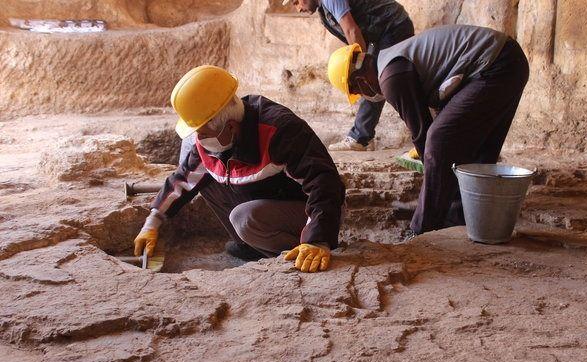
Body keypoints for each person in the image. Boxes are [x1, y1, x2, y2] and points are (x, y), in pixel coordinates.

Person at [134, 65, 345, 273]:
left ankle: (297, 252)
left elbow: (324, 182)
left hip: (315, 210)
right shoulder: (214, 135)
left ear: (231, 127)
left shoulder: (279, 130)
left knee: (243, 217)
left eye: (202, 132)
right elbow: (183, 179)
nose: (198, 139)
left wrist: (318, 239)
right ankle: (251, 246)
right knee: (205, 181)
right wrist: (151, 223)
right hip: (267, 200)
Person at [326, 24, 530, 235]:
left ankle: (422, 229)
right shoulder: (392, 61)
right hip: (509, 60)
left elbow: (425, 135)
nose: (363, 95)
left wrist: (431, 163)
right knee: (476, 151)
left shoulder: (390, 77)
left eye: (357, 91)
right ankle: (463, 220)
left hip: (496, 64)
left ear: (359, 80)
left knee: (438, 140)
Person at [285, 0, 414, 151]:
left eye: (296, 1)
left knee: (372, 80)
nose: (298, 8)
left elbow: (351, 31)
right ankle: (362, 137)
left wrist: (361, 68)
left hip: (393, 27)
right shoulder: (322, 8)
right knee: (373, 81)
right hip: (382, 32)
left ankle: (360, 137)